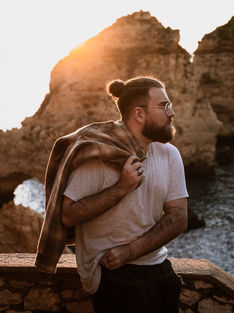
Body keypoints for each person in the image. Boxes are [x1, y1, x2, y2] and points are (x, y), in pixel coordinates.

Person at [61, 76, 188, 313]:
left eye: (169, 105)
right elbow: (67, 215)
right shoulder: (98, 155)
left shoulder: (170, 154)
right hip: (113, 278)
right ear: (139, 114)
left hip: (161, 271)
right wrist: (121, 187)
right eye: (163, 106)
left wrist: (129, 252)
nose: (171, 113)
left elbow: (179, 217)